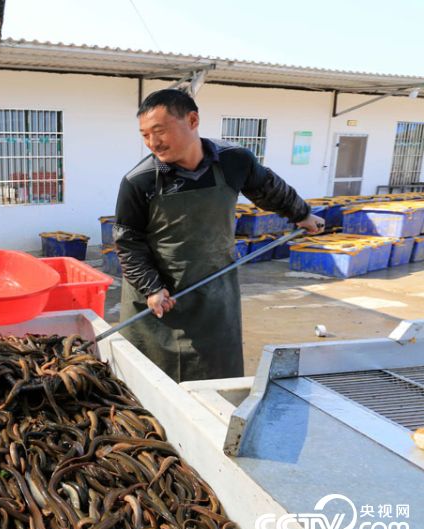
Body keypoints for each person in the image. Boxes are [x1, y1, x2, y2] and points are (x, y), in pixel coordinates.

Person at [114, 89, 324, 382]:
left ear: (192, 119)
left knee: (215, 377)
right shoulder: (140, 181)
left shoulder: (233, 161)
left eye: (159, 131)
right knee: (150, 384)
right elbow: (128, 241)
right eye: (145, 135)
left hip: (214, 289)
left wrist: (301, 213)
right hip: (158, 299)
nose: (153, 143)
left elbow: (268, 188)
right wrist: (151, 287)